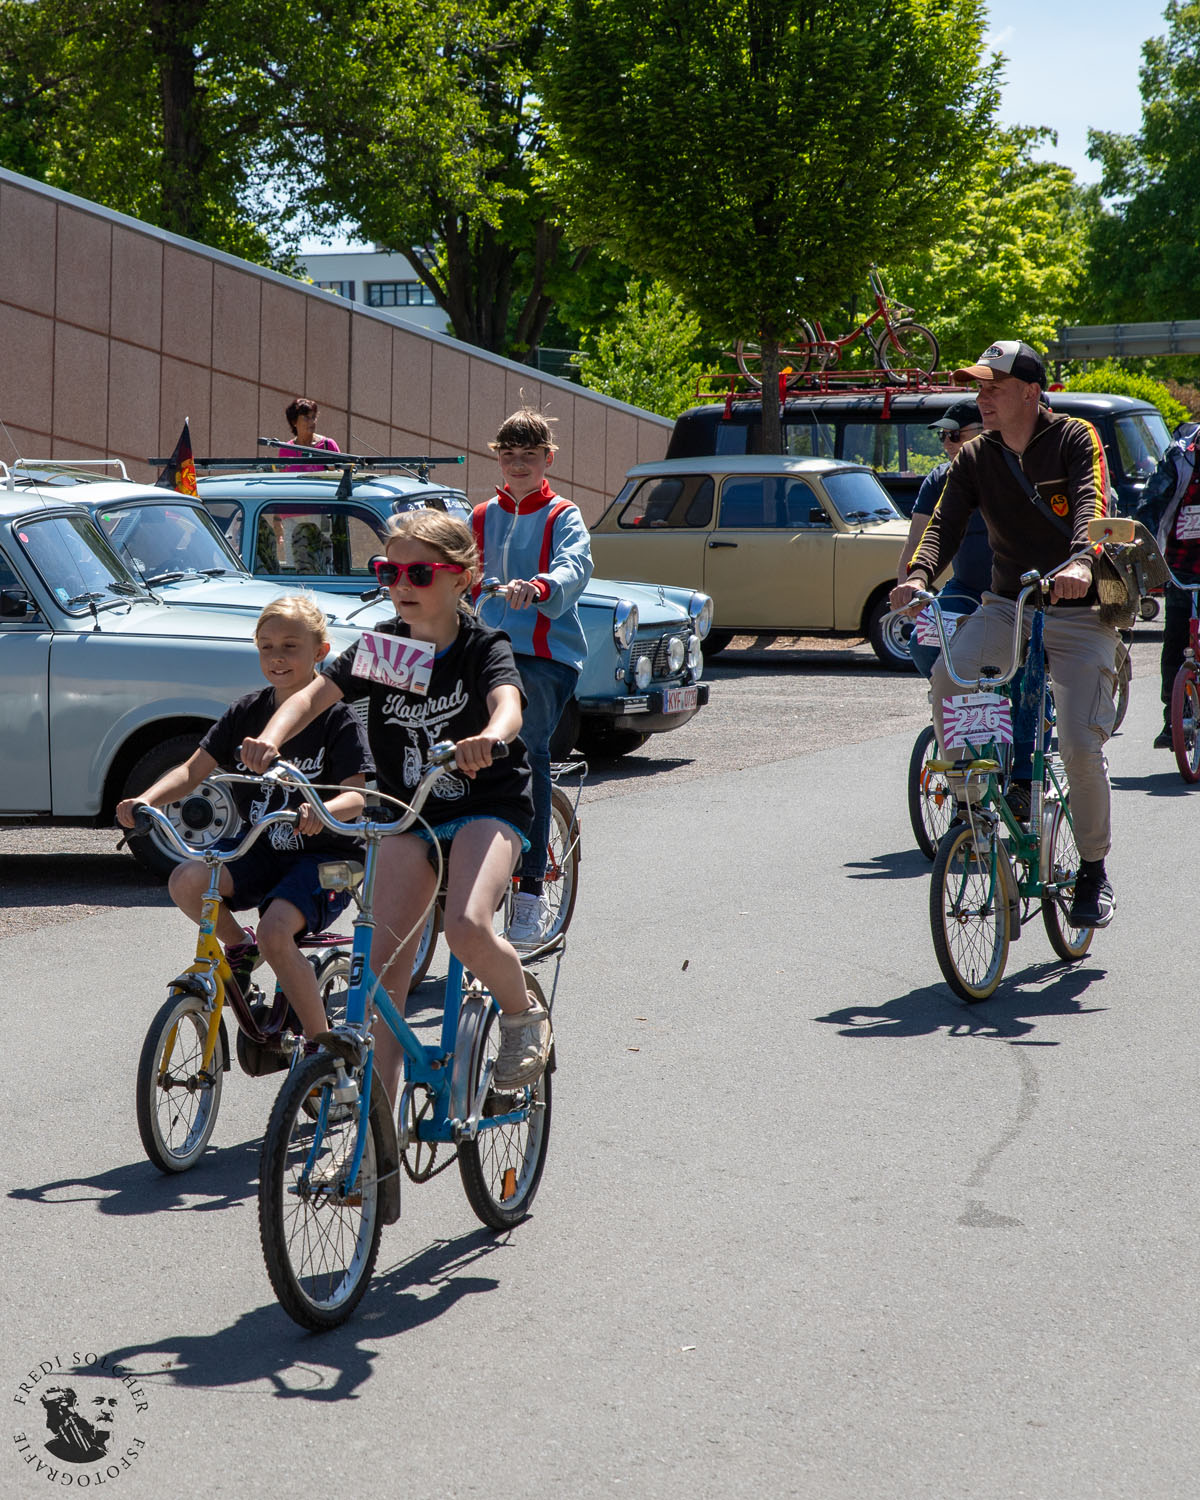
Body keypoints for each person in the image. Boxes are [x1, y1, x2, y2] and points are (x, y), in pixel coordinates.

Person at [239, 510, 552, 1103]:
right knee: (383, 971)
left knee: (464, 926)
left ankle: (522, 1014)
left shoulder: (481, 647)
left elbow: (508, 703)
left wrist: (492, 735)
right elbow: (312, 695)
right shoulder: (386, 649)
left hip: (489, 802)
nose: (401, 585)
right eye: (389, 571)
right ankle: (373, 1125)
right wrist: (273, 737)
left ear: (462, 578)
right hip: (409, 813)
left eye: (419, 572)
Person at [890, 339, 1118, 930]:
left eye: (993, 386)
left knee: (1076, 745)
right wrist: (917, 576)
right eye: (978, 387)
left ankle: (1092, 869)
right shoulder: (976, 457)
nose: (981, 397)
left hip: (1078, 609)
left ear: (1030, 391)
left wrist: (1083, 562)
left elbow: (1093, 503)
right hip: (1006, 606)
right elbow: (942, 525)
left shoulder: (1074, 438)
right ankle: (976, 814)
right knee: (949, 676)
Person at [116, 596, 373, 1040]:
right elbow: (191, 771)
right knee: (187, 881)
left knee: (277, 932)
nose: (276, 657)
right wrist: (145, 799)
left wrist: (321, 811)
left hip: (327, 859)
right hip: (260, 846)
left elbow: (358, 796)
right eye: (266, 646)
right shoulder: (246, 712)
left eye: (291, 646)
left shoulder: (338, 718)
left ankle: (320, 1046)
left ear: (321, 652)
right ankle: (239, 947)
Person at [471, 405, 593, 948]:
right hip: (482, 650)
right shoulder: (477, 516)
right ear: (497, 458)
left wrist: (541, 586)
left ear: (548, 459)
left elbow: (575, 565)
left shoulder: (563, 513)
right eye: (508, 454)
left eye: (529, 455)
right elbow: (454, 565)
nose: (517, 464)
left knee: (526, 747)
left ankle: (528, 891)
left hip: (544, 656)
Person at [896, 399, 988, 677]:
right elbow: (915, 541)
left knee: (1022, 658)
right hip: (965, 589)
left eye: (955, 434)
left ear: (984, 430)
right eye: (942, 436)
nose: (947, 443)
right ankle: (952, 702)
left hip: (1010, 590)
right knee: (921, 643)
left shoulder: (1004, 471)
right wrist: (906, 588)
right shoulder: (939, 479)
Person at [1136, 425, 1200, 747]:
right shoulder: (1180, 458)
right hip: (1181, 567)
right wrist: (1139, 544)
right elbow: (1151, 504)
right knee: (1175, 639)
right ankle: (1172, 717)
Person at [277, 397, 340, 471]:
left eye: (313, 417)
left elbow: (344, 474)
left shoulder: (328, 445)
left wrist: (335, 470)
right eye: (306, 418)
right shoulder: (285, 450)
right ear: (294, 421)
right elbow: (283, 479)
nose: (312, 422)